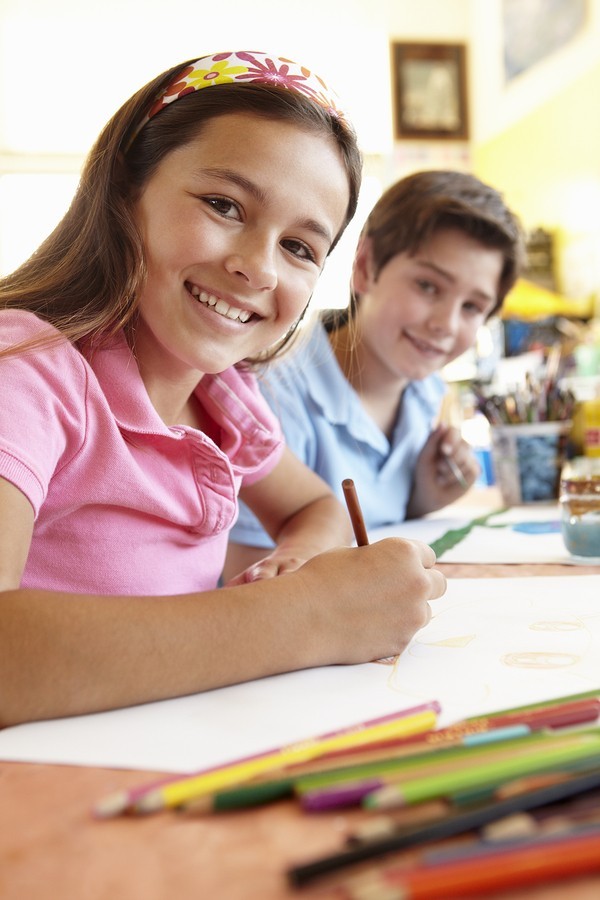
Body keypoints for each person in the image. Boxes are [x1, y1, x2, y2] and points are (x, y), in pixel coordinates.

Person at [0, 51, 446, 727]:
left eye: (300, 247)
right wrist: (307, 615)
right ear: (126, 190)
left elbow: (314, 507)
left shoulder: (226, 401)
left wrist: (299, 564)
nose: (256, 267)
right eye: (224, 205)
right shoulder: (26, 367)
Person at [226, 169, 525, 578]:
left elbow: (378, 522)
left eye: (472, 307)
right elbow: (250, 579)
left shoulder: (426, 393)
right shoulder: (268, 390)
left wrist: (423, 499)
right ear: (365, 267)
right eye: (428, 286)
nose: (446, 324)